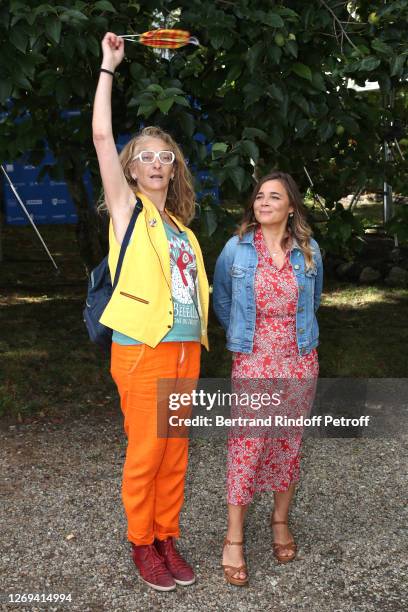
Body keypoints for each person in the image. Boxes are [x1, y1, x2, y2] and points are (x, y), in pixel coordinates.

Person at [92, 32, 209, 592]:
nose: (157, 163)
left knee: (176, 452)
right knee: (146, 452)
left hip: (186, 350)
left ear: (174, 169)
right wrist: (109, 68)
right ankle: (142, 543)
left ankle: (167, 535)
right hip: (142, 349)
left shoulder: (182, 228)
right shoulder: (127, 212)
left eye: (166, 157)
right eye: (146, 157)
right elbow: (99, 134)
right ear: (132, 170)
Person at [213, 171, 323, 586]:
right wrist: (244, 335)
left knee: (287, 443)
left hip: (298, 361)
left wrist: (297, 343)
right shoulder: (236, 249)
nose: (263, 202)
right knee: (247, 445)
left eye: (274, 196)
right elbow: (222, 298)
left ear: (290, 207)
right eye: (259, 196)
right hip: (255, 360)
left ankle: (280, 522)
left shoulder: (309, 251)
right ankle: (234, 539)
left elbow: (314, 302)